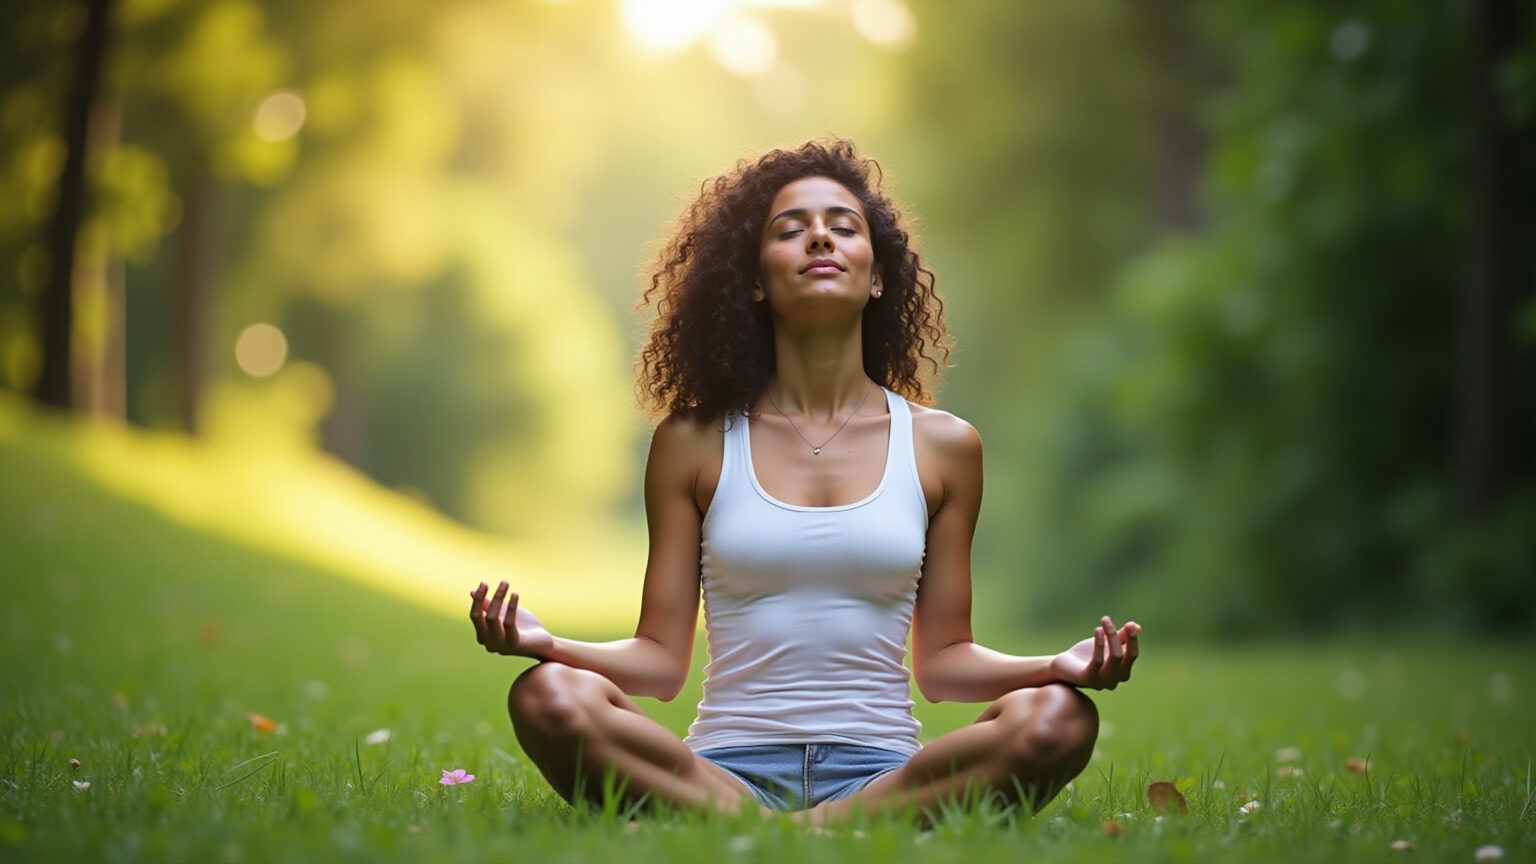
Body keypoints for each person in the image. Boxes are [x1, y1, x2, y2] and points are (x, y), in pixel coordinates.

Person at [468, 138, 1139, 823]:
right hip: (723, 772)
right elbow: (660, 661)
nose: (820, 237)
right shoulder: (693, 441)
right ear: (756, 281)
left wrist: (1058, 666)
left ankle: (785, 835)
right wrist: (547, 646)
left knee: (1058, 717)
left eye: (844, 227)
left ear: (877, 277)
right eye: (790, 230)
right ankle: (806, 832)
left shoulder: (944, 447)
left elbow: (943, 663)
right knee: (548, 695)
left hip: (882, 774)